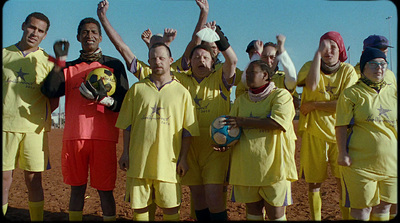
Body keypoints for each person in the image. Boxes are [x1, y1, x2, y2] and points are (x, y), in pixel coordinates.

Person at [41, 17, 129, 221]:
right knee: (77, 189)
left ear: (100, 37)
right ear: (78, 37)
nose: (89, 36)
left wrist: (107, 101)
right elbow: (49, 90)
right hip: (74, 137)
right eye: (85, 32)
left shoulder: (114, 65)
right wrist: (59, 61)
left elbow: (124, 101)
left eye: (93, 32)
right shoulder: (68, 67)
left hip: (104, 139)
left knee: (105, 190)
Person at [115, 42, 200, 221]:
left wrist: (183, 157)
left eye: (161, 58)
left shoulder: (182, 93)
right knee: (140, 208)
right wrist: (125, 153)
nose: (157, 61)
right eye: (153, 58)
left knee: (171, 208)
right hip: (139, 163)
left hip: (168, 164)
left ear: (170, 61)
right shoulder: (137, 89)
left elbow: (187, 131)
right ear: (148, 61)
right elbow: (127, 125)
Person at [296, 31, 358, 220]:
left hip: (339, 133)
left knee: (343, 181)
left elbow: (345, 105)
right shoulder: (309, 66)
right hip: (313, 133)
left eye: (333, 47)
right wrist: (316, 55)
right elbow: (312, 85)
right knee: (314, 183)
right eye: (324, 47)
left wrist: (314, 105)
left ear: (340, 49)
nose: (328, 51)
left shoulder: (348, 71)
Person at [224, 60, 296, 220]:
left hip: (275, 168)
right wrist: (223, 142)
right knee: (253, 212)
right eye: (246, 73)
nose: (247, 76)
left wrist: (243, 121)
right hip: (247, 167)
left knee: (276, 214)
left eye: (252, 72)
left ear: (265, 75)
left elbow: (277, 123)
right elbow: (231, 127)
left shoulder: (281, 95)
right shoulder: (241, 100)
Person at [2, 12, 57, 221]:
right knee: (4, 180)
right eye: (32, 27)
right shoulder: (4, 54)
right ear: (23, 25)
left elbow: (54, 100)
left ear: (45, 35)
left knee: (34, 181)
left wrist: (36, 117)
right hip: (5, 127)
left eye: (40, 31)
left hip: (34, 130)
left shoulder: (48, 61)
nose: (35, 33)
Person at [336, 47, 397, 221]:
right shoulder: (351, 94)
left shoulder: (393, 93)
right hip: (360, 164)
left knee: (384, 206)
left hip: (391, 163)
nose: (379, 68)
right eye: (373, 64)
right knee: (362, 210)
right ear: (363, 68)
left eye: (383, 64)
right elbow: (341, 126)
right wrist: (342, 153)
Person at [235, 36, 300, 110]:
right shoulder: (252, 78)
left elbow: (292, 78)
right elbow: (245, 81)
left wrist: (282, 50)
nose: (268, 61)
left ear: (278, 59)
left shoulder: (282, 78)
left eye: (272, 57)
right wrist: (257, 54)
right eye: (265, 57)